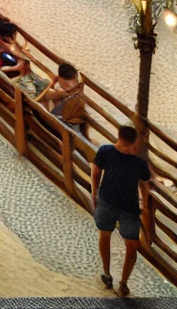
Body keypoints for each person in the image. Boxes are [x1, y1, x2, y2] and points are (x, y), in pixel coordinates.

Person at [93, 124, 152, 294]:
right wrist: (145, 208)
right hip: (130, 209)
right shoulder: (139, 163)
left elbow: (95, 173)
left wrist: (94, 195)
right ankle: (123, 282)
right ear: (134, 142)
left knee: (105, 237)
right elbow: (145, 187)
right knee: (132, 246)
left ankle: (107, 273)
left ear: (118, 136)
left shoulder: (105, 151)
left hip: (106, 202)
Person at [37, 62, 88, 133]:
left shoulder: (66, 88)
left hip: (70, 122)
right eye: (67, 85)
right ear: (60, 79)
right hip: (62, 124)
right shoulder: (57, 90)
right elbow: (39, 100)